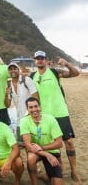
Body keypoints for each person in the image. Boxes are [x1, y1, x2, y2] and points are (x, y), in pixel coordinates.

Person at [31, 50, 81, 183]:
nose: (40, 60)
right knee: (51, 144)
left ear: (46, 60)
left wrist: (67, 64)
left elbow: (76, 73)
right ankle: (55, 171)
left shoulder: (54, 72)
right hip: (45, 116)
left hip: (61, 112)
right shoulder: (32, 76)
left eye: (42, 58)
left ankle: (74, 171)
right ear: (34, 61)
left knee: (69, 142)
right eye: (37, 58)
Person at [20, 97, 63, 185]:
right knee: (31, 158)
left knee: (57, 183)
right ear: (27, 109)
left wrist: (43, 148)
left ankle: (47, 176)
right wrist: (46, 154)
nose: (34, 109)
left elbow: (59, 143)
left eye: (36, 106)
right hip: (37, 152)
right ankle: (34, 183)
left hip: (51, 151)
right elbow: (28, 145)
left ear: (40, 107)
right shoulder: (24, 121)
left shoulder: (51, 119)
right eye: (30, 107)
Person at [5, 62, 39, 143]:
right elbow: (7, 104)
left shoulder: (27, 80)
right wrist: (6, 94)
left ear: (18, 70)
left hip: (31, 119)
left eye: (15, 68)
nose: (13, 71)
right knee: (21, 143)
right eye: (10, 69)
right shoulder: (9, 85)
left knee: (35, 144)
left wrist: (34, 115)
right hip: (19, 121)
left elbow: (36, 99)